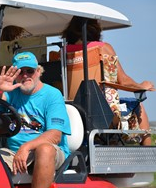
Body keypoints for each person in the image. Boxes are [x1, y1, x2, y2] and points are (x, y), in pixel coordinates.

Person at [61, 16, 155, 145]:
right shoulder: (102, 48)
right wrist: (142, 85)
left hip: (72, 109)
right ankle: (148, 156)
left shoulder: (62, 52)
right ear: (95, 28)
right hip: (101, 112)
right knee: (138, 105)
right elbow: (123, 81)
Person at [0, 51, 71, 188]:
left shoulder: (52, 95)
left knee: (44, 150)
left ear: (38, 71)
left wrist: (26, 147)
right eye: (20, 72)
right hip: (14, 152)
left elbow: (55, 136)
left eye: (29, 71)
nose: (25, 75)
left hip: (49, 152)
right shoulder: (10, 94)